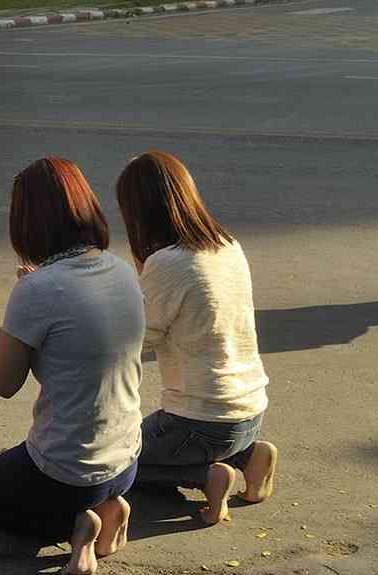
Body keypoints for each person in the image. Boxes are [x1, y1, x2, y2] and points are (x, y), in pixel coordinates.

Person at [0, 158, 143, 575]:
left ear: (26, 223)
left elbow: (5, 383)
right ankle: (108, 503)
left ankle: (75, 526)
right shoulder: (120, 269)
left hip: (69, 472)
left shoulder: (37, 289)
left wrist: (22, 304)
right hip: (127, 459)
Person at [115, 151, 278, 525]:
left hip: (198, 421)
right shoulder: (227, 245)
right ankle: (250, 457)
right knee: (175, 443)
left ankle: (206, 477)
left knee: (113, 461)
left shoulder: (169, 263)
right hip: (250, 411)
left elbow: (140, 339)